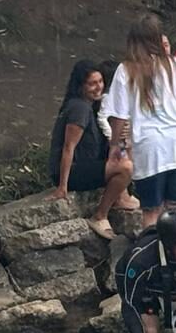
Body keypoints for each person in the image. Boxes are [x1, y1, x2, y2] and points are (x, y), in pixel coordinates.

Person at [102, 14, 176, 230]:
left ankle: (153, 257)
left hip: (151, 150)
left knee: (151, 211)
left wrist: (116, 147)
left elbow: (119, 116)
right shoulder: (175, 65)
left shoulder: (126, 71)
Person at [47, 60, 137, 240]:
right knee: (125, 167)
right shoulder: (79, 108)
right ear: (81, 86)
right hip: (73, 170)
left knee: (124, 151)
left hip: (87, 163)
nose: (98, 87)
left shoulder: (93, 106)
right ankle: (100, 216)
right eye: (92, 84)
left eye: (100, 82)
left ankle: (121, 196)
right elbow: (68, 147)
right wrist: (62, 186)